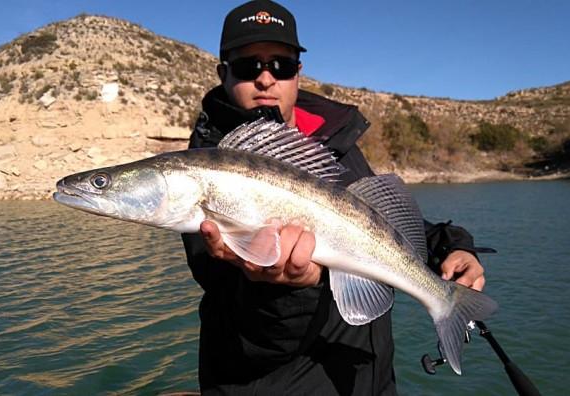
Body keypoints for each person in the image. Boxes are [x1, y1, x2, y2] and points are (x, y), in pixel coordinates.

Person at [181, 1, 486, 394]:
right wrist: (285, 290)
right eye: (247, 66)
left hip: (369, 379)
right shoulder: (207, 170)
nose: (266, 79)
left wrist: (449, 246)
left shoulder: (333, 137)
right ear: (223, 73)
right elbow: (245, 330)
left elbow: (373, 222)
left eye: (281, 65)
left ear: (298, 73)